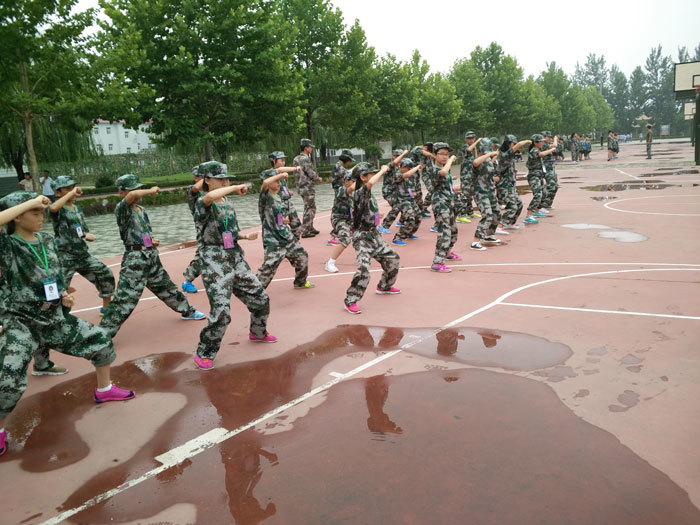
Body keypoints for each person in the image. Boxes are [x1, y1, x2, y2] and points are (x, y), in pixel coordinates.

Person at [0, 191, 134, 457]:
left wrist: (63, 295)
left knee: (100, 340)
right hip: (21, 322)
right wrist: (32, 201)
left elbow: (54, 272)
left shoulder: (47, 240)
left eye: (40, 213)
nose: (41, 217)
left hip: (53, 318)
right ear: (17, 217)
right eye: (34, 213)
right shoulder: (8, 245)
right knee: (8, 379)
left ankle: (104, 389)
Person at [99, 174, 206, 337]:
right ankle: (102, 334)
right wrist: (150, 190)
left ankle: (187, 311)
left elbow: (141, 232)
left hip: (150, 256)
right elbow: (132, 196)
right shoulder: (122, 209)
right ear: (121, 192)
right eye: (132, 189)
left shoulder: (141, 210)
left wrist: (150, 241)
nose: (137, 192)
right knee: (125, 299)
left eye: (138, 188)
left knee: (166, 287)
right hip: (135, 260)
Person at [193, 161, 275, 370]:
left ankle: (257, 332)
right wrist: (235, 187)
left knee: (260, 298)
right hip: (214, 261)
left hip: (235, 257)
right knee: (221, 311)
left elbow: (229, 231)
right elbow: (209, 198)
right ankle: (205, 352)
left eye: (226, 178)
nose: (225, 182)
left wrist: (245, 236)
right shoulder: (202, 201)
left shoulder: (227, 202)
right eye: (220, 178)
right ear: (207, 180)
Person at [48, 175, 115, 315]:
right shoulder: (59, 209)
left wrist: (87, 235)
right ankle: (54, 317)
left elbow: (82, 230)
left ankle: (106, 307)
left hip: (82, 254)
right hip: (65, 257)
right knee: (58, 288)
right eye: (67, 189)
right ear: (57, 192)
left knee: (105, 274)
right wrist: (72, 193)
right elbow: (53, 208)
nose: (72, 191)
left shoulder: (77, 208)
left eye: (73, 188)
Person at [344, 162, 401, 314]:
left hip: (374, 235)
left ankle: (384, 286)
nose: (374, 175)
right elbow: (370, 183)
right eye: (371, 173)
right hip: (362, 238)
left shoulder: (367, 193)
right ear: (363, 177)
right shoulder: (359, 192)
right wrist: (383, 170)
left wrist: (375, 215)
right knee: (363, 269)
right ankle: (351, 300)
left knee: (393, 259)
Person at [256, 169, 314, 290]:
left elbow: (275, 216)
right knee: (268, 268)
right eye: (276, 180)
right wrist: (281, 174)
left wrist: (283, 220)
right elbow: (265, 183)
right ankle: (255, 290)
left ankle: (300, 282)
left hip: (286, 236)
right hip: (273, 239)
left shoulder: (278, 196)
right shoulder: (265, 196)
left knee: (302, 256)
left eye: (280, 181)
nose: (279, 183)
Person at [427, 142, 460, 272]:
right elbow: (442, 172)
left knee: (453, 231)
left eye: (447, 154)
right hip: (440, 204)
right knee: (444, 232)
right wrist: (451, 160)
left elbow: (445, 183)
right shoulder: (433, 169)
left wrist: (454, 190)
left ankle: (447, 252)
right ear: (435, 155)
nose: (445, 156)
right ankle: (437, 262)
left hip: (449, 202)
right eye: (442, 154)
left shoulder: (445, 168)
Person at [470, 139, 501, 251]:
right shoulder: (477, 160)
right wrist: (489, 154)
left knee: (496, 213)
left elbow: (489, 174)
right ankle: (476, 241)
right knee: (487, 215)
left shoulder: (488, 160)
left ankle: (489, 235)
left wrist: (494, 178)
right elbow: (475, 163)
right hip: (480, 192)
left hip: (490, 191)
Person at [325, 167, 357, 273]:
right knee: (345, 238)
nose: (356, 183)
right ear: (346, 181)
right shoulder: (341, 190)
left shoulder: (356, 193)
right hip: (339, 219)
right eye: (354, 181)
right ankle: (330, 263)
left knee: (369, 234)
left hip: (351, 219)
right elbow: (350, 189)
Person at [497, 135, 531, 231]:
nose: (515, 145)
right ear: (508, 144)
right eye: (513, 143)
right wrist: (527, 141)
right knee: (512, 206)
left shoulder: (510, 155)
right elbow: (519, 145)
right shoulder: (505, 154)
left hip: (511, 186)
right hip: (504, 186)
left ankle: (509, 223)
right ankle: (499, 226)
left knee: (519, 204)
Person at [268, 151, 302, 239]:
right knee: (281, 227)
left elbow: (282, 188)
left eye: (284, 160)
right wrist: (295, 168)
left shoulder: (283, 175)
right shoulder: (271, 173)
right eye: (281, 160)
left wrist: (287, 192)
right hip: (278, 206)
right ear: (274, 161)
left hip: (288, 203)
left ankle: (295, 243)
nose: (283, 162)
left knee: (296, 224)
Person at [182, 166, 205, 294]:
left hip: (217, 227)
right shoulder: (192, 191)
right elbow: (195, 188)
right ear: (196, 178)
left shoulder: (209, 191)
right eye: (203, 176)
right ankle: (188, 280)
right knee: (203, 255)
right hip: (204, 228)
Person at [390, 158, 423, 246]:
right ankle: (398, 238)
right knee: (410, 218)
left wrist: (412, 193)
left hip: (410, 199)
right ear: (403, 167)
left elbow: (407, 187)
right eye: (409, 168)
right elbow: (407, 175)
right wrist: (416, 167)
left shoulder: (408, 177)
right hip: (402, 201)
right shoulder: (397, 174)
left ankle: (409, 233)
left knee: (418, 216)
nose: (410, 170)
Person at [293, 139, 322, 238]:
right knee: (310, 208)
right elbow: (310, 172)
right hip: (307, 187)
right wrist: (317, 178)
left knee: (309, 207)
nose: (311, 149)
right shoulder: (305, 159)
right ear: (306, 148)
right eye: (310, 147)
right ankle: (306, 230)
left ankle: (310, 227)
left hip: (300, 186)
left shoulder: (296, 158)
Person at [525, 134, 556, 223]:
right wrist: (552, 150)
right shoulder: (533, 151)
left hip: (539, 176)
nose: (542, 143)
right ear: (535, 143)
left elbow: (527, 163)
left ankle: (536, 211)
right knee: (537, 195)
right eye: (541, 141)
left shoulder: (537, 149)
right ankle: (528, 215)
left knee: (544, 193)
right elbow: (541, 154)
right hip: (534, 177)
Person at [378, 149, 409, 234]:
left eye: (402, 157)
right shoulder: (390, 166)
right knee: (397, 207)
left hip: (397, 191)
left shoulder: (401, 167)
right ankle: (384, 226)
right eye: (398, 156)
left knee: (406, 204)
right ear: (394, 157)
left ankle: (402, 222)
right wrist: (403, 154)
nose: (400, 159)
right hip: (388, 191)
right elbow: (394, 163)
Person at [329, 149, 355, 245]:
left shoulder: (339, 167)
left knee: (347, 211)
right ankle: (334, 236)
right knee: (341, 212)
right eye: (350, 160)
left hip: (344, 191)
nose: (350, 162)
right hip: (341, 192)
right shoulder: (338, 167)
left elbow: (348, 172)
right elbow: (348, 173)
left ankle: (337, 234)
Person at [456, 131, 481, 223]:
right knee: (464, 194)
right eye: (469, 138)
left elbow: (476, 159)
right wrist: (477, 142)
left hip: (472, 174)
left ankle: (469, 212)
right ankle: (460, 215)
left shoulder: (473, 148)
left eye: (472, 138)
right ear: (465, 139)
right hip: (465, 175)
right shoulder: (465, 147)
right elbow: (469, 150)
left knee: (470, 194)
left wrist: (475, 149)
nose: (471, 140)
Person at [540, 131, 559, 210]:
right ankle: (543, 203)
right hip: (545, 167)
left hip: (550, 167)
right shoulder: (543, 145)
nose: (550, 138)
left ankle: (547, 203)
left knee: (555, 186)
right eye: (548, 137)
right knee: (551, 186)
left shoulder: (547, 144)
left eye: (551, 137)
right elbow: (554, 145)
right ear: (544, 137)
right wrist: (555, 139)